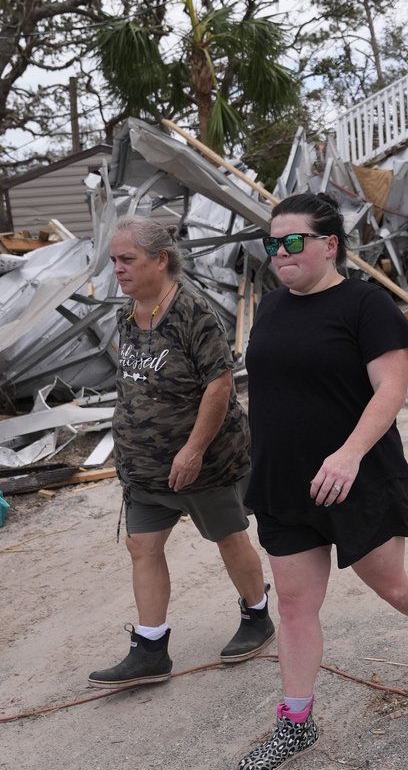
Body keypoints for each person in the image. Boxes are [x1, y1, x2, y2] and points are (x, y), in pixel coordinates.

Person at [235, 192, 408, 770]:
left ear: (330, 245)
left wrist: (350, 455)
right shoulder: (272, 307)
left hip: (357, 479)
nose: (280, 251)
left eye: (293, 240)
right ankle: (296, 721)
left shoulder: (366, 305)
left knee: (391, 587)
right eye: (272, 242)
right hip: (285, 485)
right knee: (295, 605)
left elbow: (390, 389)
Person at [89, 216, 275, 688]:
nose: (118, 269)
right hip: (144, 469)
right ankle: (151, 648)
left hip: (203, 464)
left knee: (229, 537)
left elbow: (219, 385)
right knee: (142, 547)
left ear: (160, 260)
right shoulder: (127, 314)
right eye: (114, 260)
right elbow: (133, 385)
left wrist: (192, 450)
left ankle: (257, 616)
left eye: (127, 260)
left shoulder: (193, 313)